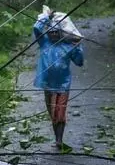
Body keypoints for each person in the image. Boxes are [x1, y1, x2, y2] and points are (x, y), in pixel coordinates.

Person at [33, 11, 84, 148]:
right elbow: (36, 28)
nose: (54, 34)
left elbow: (79, 62)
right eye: (51, 32)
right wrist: (46, 16)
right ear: (48, 32)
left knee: (60, 112)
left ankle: (59, 140)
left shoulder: (67, 46)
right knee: (52, 112)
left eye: (57, 32)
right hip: (47, 84)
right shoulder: (43, 42)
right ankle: (57, 137)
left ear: (61, 33)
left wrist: (77, 46)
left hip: (63, 84)